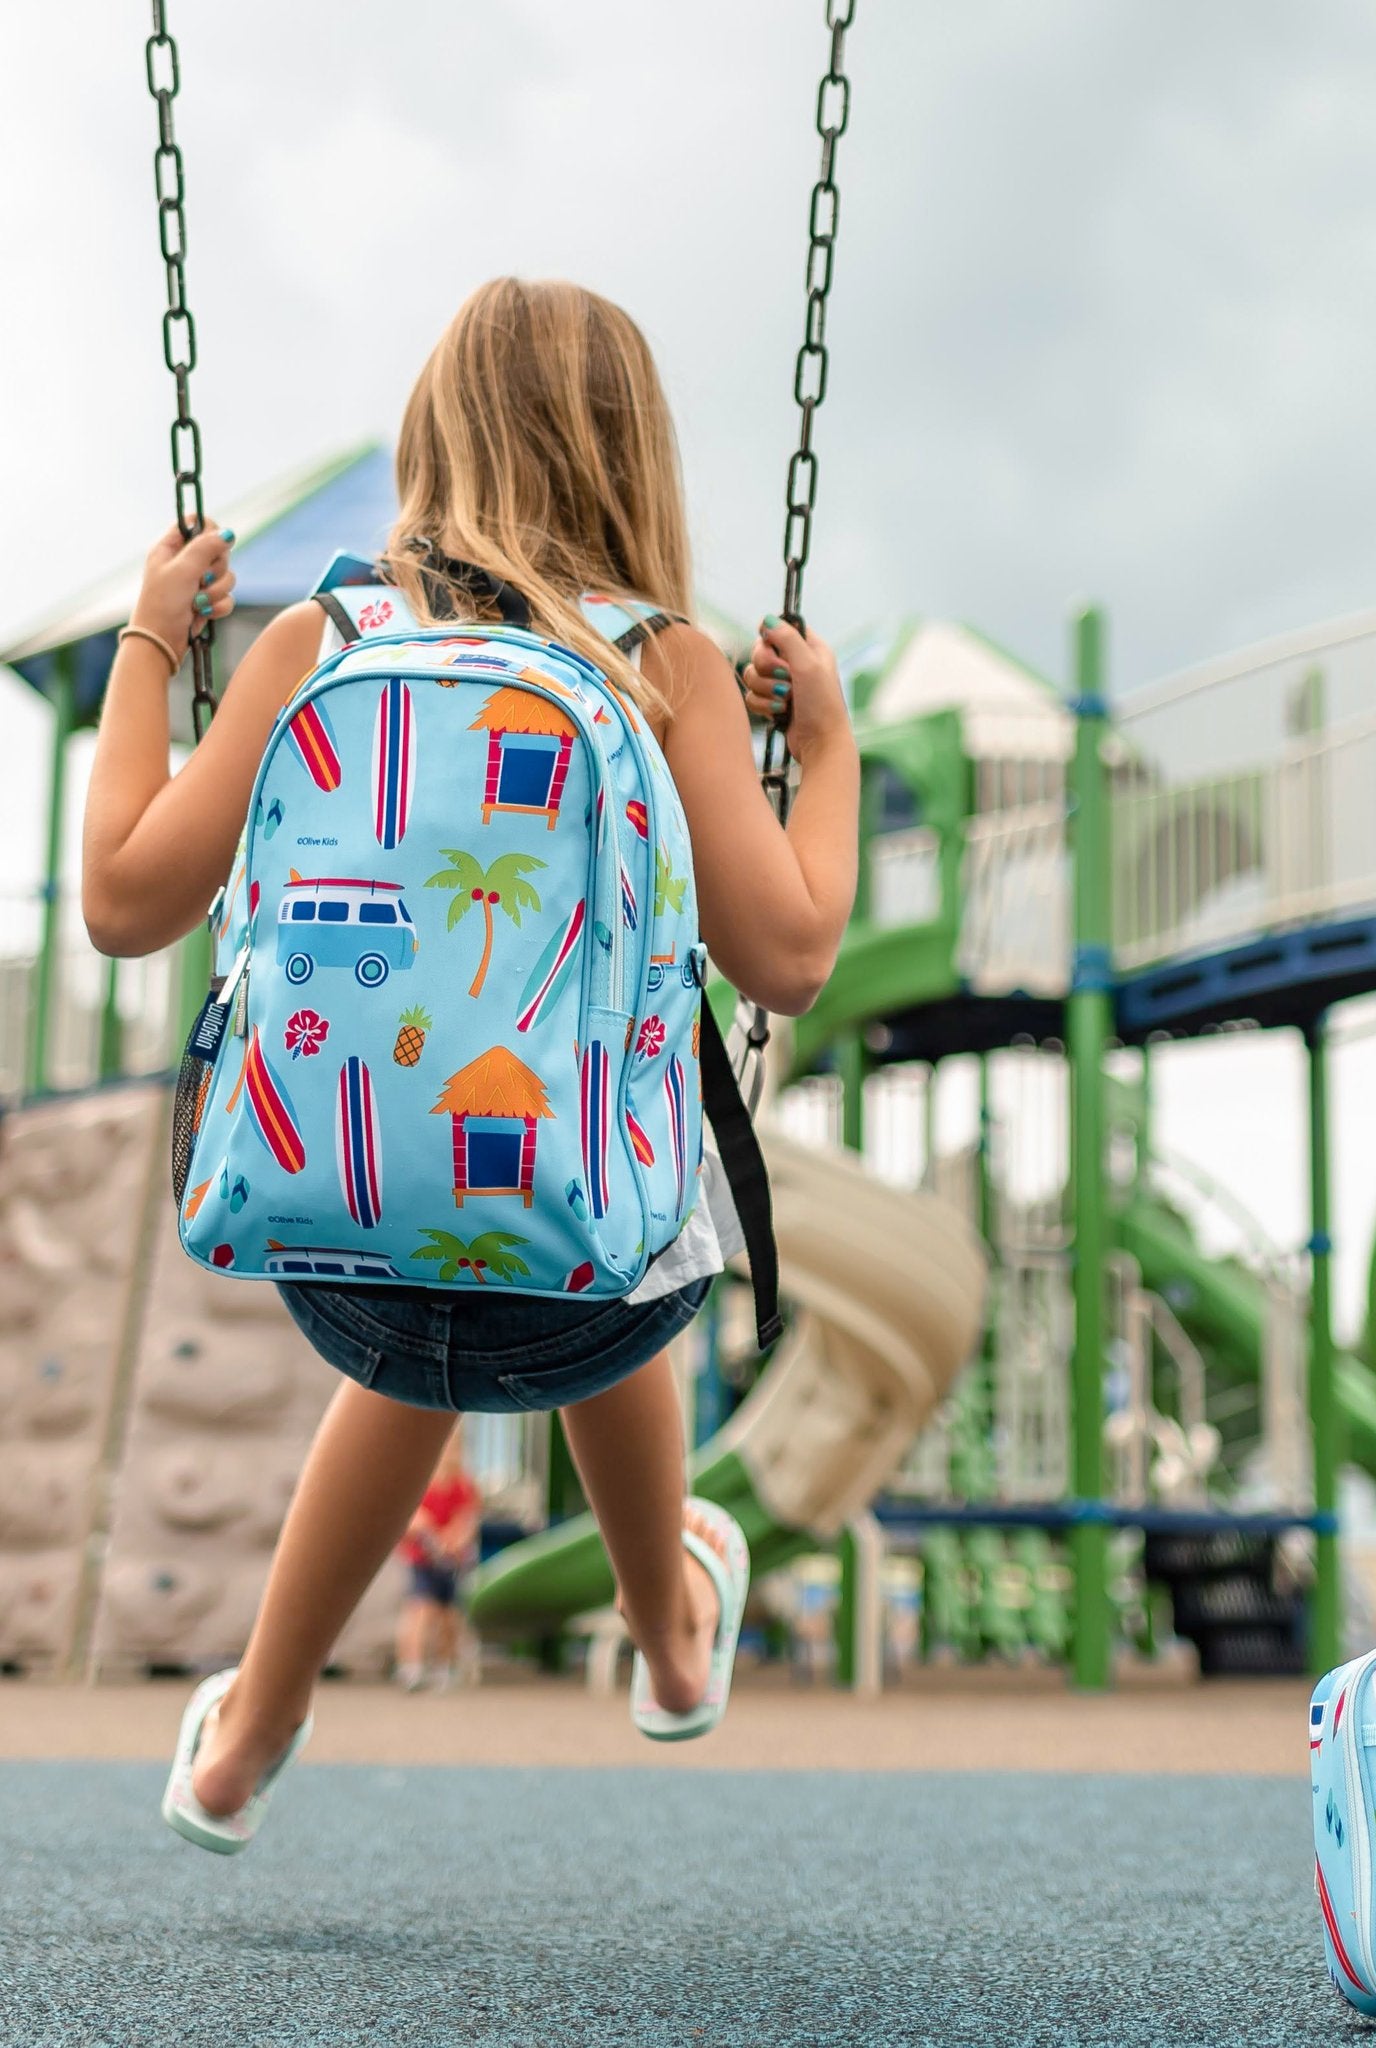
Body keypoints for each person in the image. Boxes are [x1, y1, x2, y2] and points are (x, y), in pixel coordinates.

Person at [79, 278, 859, 1852]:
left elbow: (119, 901)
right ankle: (671, 1635)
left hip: (325, 1252)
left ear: (433, 444)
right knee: (617, 1199)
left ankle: (250, 1729)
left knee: (441, 1295)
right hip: (591, 1273)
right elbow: (791, 954)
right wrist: (827, 750)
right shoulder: (664, 664)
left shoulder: (324, 636)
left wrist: (157, 644)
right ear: (634, 462)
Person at [395, 1434, 480, 1692]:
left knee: (448, 1617)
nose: (449, 1455)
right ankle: (411, 1667)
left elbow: (468, 1520)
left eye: (455, 1450)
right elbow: (413, 1520)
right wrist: (431, 1534)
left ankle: (444, 1667)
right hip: (422, 1560)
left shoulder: (463, 1486)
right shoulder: (420, 1484)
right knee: (420, 1611)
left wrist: (452, 1540)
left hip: (451, 1563)